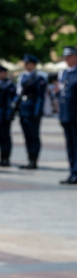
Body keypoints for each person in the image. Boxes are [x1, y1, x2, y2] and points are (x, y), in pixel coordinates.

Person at [16, 53, 47, 170]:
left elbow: (40, 97)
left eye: (27, 63)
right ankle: (29, 158)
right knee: (27, 136)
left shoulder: (39, 78)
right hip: (24, 109)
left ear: (33, 64)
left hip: (32, 109)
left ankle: (34, 160)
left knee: (34, 136)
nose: (25, 65)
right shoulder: (22, 77)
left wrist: (37, 111)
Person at [60, 46, 77, 184]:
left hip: (75, 116)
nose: (66, 59)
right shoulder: (65, 73)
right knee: (70, 145)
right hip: (66, 116)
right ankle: (72, 171)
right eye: (65, 57)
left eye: (69, 56)